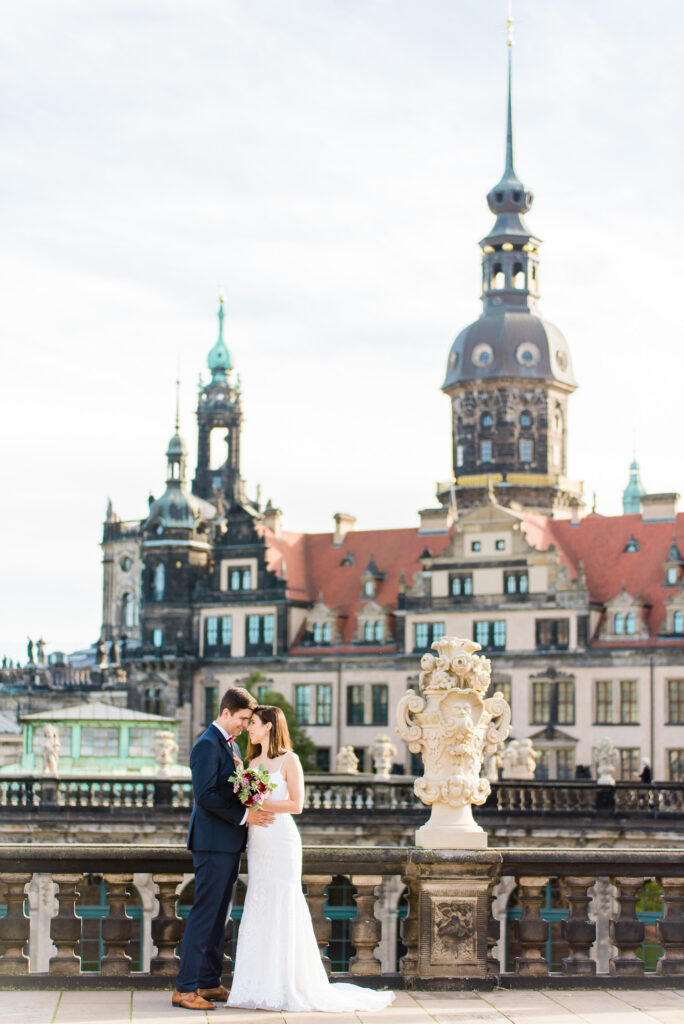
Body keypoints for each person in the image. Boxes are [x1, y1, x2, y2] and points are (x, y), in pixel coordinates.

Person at [228, 705, 395, 1013]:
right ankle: (258, 985)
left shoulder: (289, 759)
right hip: (259, 841)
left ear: (269, 726)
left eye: (254, 723)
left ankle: (288, 984)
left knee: (283, 902)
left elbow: (297, 804)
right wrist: (248, 807)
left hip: (281, 838)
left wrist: (262, 807)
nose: (249, 727)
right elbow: (245, 801)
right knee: (260, 902)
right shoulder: (250, 761)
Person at [172, 687, 275, 1012]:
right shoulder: (206, 745)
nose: (245, 726)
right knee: (205, 916)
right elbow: (204, 796)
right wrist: (247, 814)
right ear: (227, 712)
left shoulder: (226, 746)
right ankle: (185, 989)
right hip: (213, 844)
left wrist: (258, 785)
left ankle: (208, 982)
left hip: (227, 843)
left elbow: (228, 790)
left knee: (220, 917)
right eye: (243, 719)